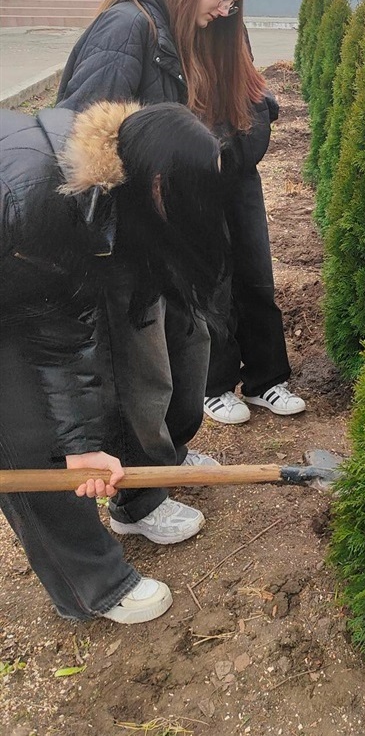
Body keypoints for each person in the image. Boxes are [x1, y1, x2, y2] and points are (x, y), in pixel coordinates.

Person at [54, 0, 264, 542]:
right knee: (140, 367)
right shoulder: (130, 30)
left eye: (235, 3)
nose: (225, 12)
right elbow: (81, 135)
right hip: (118, 239)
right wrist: (115, 232)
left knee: (188, 340)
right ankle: (137, 501)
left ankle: (166, 455)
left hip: (154, 231)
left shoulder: (172, 33)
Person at [0, 100, 228, 623]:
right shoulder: (33, 199)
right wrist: (64, 447)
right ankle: (91, 586)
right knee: (25, 433)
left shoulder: (91, 199)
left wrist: (82, 446)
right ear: (157, 186)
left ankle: (127, 510)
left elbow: (61, 328)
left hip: (12, 284)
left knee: (62, 423)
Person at [143, 0, 305, 426]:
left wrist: (250, 129)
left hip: (235, 168)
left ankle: (267, 379)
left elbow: (249, 86)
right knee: (208, 282)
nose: (227, 6)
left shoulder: (224, 17)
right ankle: (215, 384)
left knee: (256, 272)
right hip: (194, 176)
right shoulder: (156, 22)